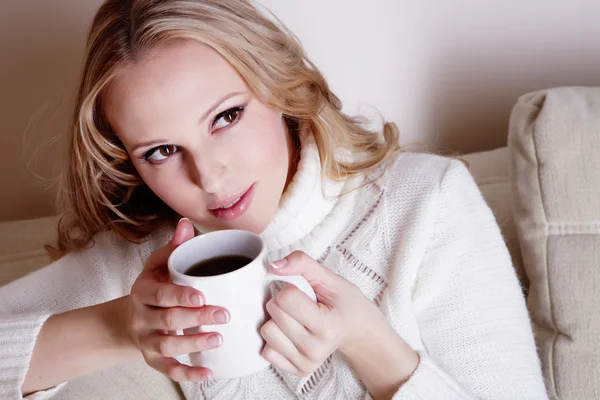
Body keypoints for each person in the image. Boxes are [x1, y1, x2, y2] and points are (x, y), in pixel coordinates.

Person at [0, 0, 548, 399]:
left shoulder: (425, 204)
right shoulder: (154, 266)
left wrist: (368, 342)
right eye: (162, 150)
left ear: (279, 87)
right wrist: (121, 326)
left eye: (226, 117)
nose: (209, 177)